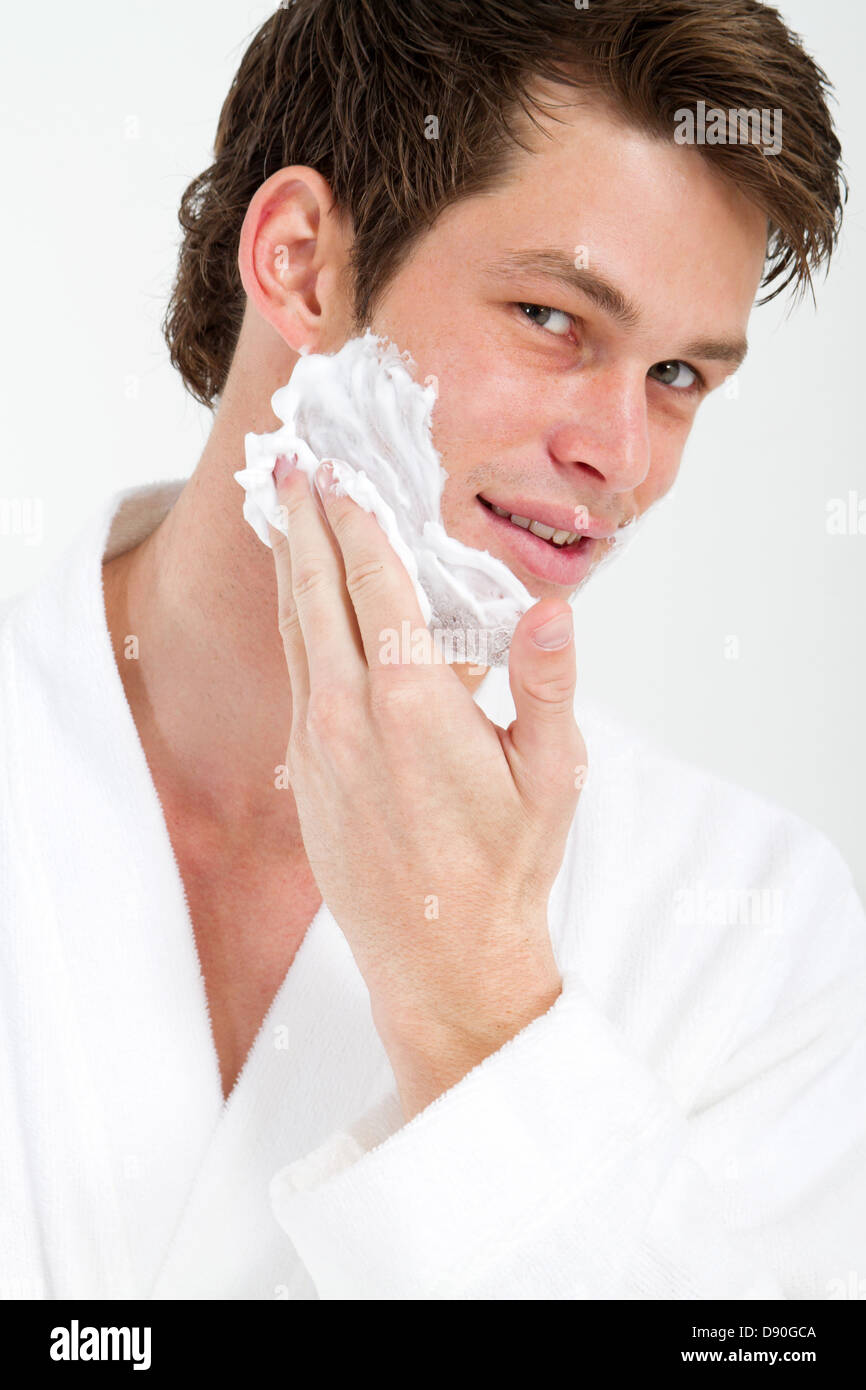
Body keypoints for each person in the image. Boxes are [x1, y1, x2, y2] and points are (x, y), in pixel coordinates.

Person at [2, 0, 863, 1301]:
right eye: (551, 317)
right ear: (299, 263)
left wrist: (476, 1003)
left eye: (678, 375)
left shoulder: (758, 942)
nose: (621, 459)